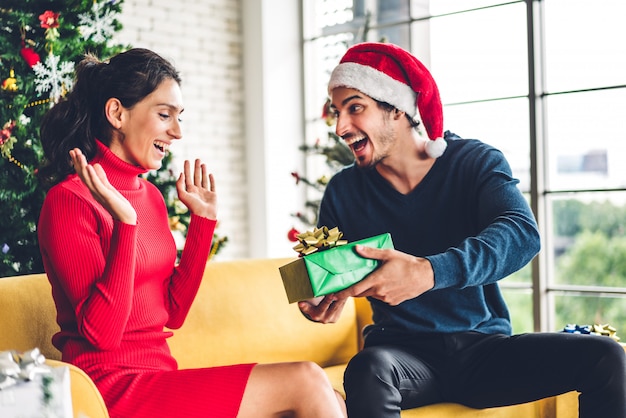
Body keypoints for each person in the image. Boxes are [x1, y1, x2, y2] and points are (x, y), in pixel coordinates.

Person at [298, 42, 626, 418]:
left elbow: (522, 233)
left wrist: (429, 272)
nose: (340, 127)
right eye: (337, 112)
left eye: (355, 108)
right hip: (401, 357)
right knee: (368, 368)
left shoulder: (473, 162)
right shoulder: (343, 191)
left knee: (606, 356)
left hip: (484, 350)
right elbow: (328, 275)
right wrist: (319, 302)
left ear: (397, 108)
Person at [37, 48, 346, 418]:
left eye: (179, 117)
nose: (177, 132)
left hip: (161, 379)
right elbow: (101, 335)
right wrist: (125, 224)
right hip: (109, 391)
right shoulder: (68, 201)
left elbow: (172, 314)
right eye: (165, 115)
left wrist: (202, 223)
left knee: (332, 399)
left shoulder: (148, 195)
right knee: (306, 381)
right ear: (117, 113)